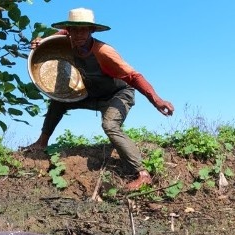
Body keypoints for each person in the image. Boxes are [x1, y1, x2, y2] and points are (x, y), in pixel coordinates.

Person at [23, 8, 174, 191]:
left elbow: (134, 76)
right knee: (59, 100)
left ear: (91, 31)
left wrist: (156, 100)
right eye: (74, 30)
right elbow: (59, 35)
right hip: (92, 94)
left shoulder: (104, 52)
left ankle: (142, 174)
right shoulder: (69, 39)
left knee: (110, 125)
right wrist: (41, 42)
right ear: (68, 31)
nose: (79, 34)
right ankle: (41, 142)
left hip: (119, 94)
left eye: (84, 30)